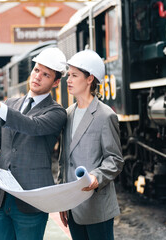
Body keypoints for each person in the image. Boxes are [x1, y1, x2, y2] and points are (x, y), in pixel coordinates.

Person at [0, 47, 67, 240]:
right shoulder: (10, 104)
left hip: (31, 201)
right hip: (1, 199)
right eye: (36, 70)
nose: (38, 76)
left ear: (55, 82)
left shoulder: (56, 112)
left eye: (46, 74)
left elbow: (31, 126)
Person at [58, 50, 124, 240]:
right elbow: (64, 161)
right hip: (73, 207)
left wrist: (96, 177)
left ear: (89, 79)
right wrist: (63, 200)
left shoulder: (105, 115)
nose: (68, 79)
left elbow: (115, 160)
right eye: (68, 75)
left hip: (96, 207)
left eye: (74, 75)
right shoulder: (68, 113)